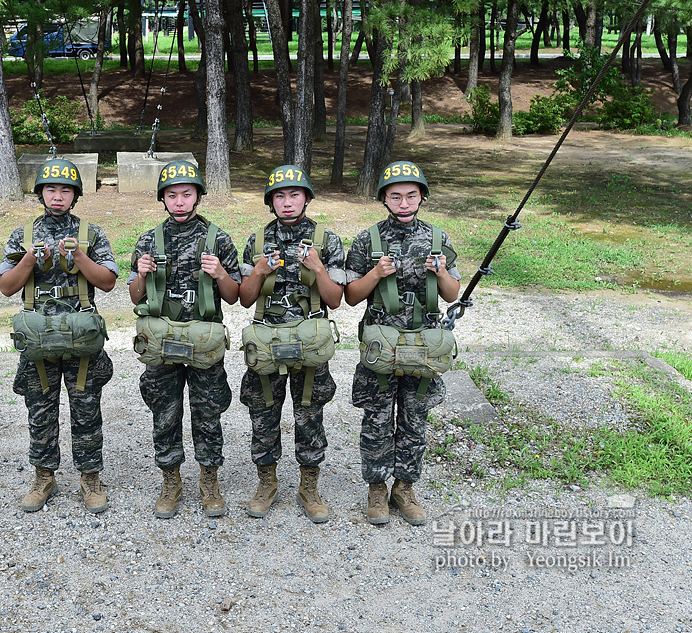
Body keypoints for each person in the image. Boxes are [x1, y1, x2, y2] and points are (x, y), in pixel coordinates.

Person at [344, 161, 461, 526]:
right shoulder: (368, 240)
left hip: (423, 342)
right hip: (381, 342)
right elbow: (350, 296)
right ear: (384, 199)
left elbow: (453, 292)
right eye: (395, 196)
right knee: (377, 420)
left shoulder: (438, 239)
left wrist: (441, 271)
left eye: (411, 195)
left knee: (414, 419)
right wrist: (376, 273)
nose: (404, 202)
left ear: (422, 196)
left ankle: (405, 488)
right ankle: (377, 488)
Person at [0, 159, 118, 514]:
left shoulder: (90, 233)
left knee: (86, 409)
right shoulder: (24, 234)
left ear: (75, 195)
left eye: (66, 189)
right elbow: (6, 287)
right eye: (51, 189)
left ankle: (90, 476)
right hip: (38, 338)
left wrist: (78, 255)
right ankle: (44, 475)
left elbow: (108, 281)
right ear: (40, 193)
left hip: (80, 337)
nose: (58, 196)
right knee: (40, 409)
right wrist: (29, 262)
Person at [129, 162, 241, 518]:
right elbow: (134, 296)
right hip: (162, 342)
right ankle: (171, 480)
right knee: (165, 413)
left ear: (198, 196)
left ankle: (210, 481)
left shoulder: (217, 238)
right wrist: (143, 276)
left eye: (187, 194)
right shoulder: (150, 239)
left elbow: (234, 295)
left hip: (203, 341)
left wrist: (220, 272)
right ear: (163, 198)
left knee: (207, 413)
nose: (180, 202)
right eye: (172, 195)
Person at [238, 166, 345, 523]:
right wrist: (257, 272)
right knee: (263, 414)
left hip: (309, 341)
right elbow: (245, 300)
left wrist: (318, 268)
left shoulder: (326, 241)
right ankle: (266, 483)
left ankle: (308, 487)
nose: (287, 203)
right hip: (267, 340)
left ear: (307, 198)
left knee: (310, 414)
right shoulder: (256, 242)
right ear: (271, 202)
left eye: (294, 195)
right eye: (279, 196)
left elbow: (334, 301)